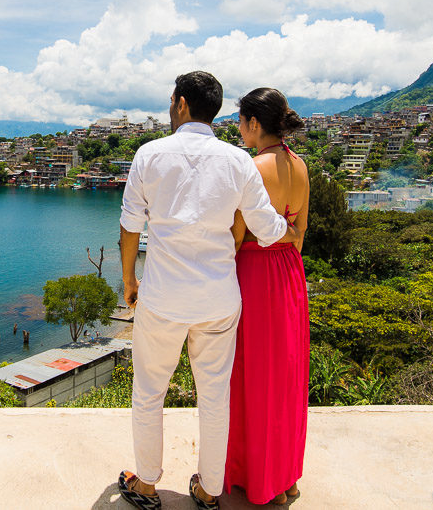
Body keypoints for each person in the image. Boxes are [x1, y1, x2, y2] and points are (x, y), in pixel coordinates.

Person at [117, 71, 296, 510]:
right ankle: (210, 490)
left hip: (163, 297)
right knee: (215, 397)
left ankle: (146, 485)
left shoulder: (149, 154)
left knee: (149, 391)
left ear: (180, 103)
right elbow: (266, 227)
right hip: (219, 299)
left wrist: (129, 281)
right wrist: (290, 230)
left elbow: (129, 227)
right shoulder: (237, 161)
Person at [225, 88, 310, 506]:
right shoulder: (301, 165)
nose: (238, 129)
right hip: (289, 274)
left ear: (254, 124)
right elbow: (300, 234)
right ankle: (286, 475)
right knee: (285, 375)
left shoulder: (252, 167)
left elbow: (238, 235)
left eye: (240, 121)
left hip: (255, 273)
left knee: (251, 376)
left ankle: (252, 477)